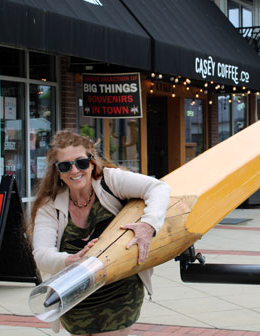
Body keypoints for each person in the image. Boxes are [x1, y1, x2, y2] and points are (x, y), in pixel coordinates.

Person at [29, 130, 171, 336]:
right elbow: (41, 255)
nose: (75, 170)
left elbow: (158, 188)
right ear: (57, 171)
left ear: (92, 162)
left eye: (81, 162)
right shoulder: (50, 206)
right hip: (74, 296)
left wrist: (148, 225)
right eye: (65, 166)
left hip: (119, 290)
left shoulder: (110, 181)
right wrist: (70, 259)